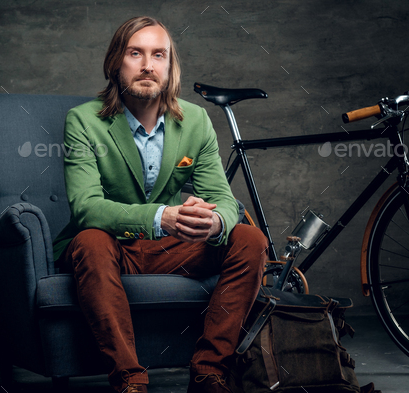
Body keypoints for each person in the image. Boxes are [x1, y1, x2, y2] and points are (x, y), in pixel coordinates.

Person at [52, 16, 267, 393]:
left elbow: (224, 200)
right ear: (115, 62)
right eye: (136, 53)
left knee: (250, 239)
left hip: (171, 249)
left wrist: (214, 222)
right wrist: (161, 217)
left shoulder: (195, 120)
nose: (148, 65)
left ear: (170, 67)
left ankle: (208, 371)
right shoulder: (83, 121)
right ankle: (130, 380)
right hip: (112, 249)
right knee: (89, 239)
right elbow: (87, 207)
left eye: (159, 55)